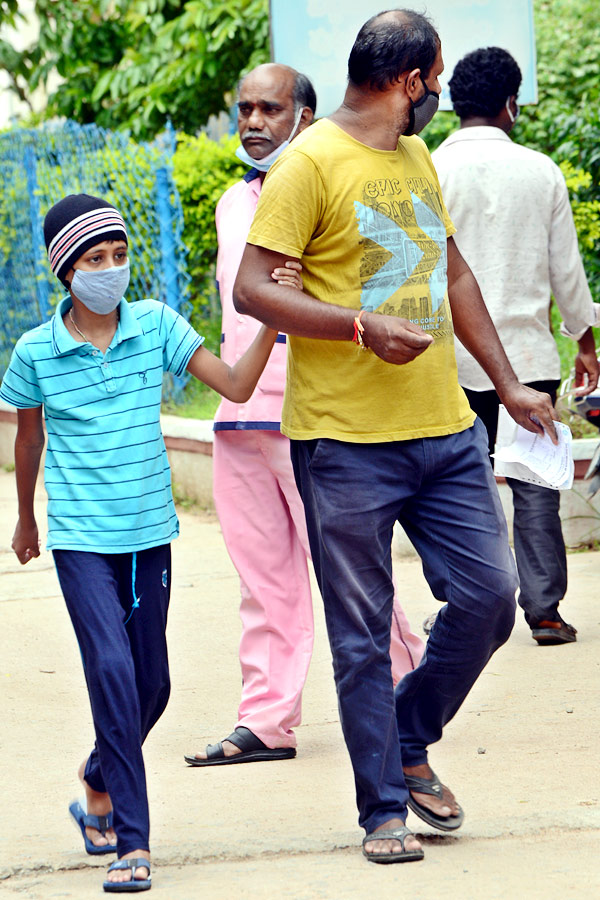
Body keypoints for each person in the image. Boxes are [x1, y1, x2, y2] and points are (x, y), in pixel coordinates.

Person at [232, 9, 559, 864]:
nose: (442, 94)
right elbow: (253, 289)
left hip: (444, 426)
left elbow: (451, 270)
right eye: (436, 79)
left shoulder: (416, 155)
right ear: (409, 81)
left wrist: (512, 382)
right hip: (344, 442)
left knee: (490, 598)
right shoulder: (308, 163)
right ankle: (382, 807)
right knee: (360, 630)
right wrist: (354, 327)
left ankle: (409, 735)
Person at [0, 193, 283, 893]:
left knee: (151, 684)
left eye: (120, 256)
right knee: (113, 673)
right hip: (80, 541)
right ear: (66, 269)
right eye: (95, 259)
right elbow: (28, 438)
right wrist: (26, 518)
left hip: (148, 535)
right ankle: (133, 842)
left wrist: (274, 321)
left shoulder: (155, 324)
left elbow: (237, 385)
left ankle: (98, 778)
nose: (111, 270)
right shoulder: (36, 350)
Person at [186, 64, 424, 767]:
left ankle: (406, 690)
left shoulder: (339, 182)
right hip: (240, 414)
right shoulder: (234, 202)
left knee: (350, 572)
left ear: (306, 115)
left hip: (315, 413)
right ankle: (266, 719)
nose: (252, 121)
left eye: (269, 108)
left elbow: (387, 289)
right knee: (263, 580)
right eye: (244, 109)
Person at [432, 46, 599, 645]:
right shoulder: (540, 170)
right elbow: (566, 272)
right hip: (526, 358)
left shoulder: (428, 168)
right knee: (535, 484)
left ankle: (460, 602)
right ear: (510, 103)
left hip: (445, 357)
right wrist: (585, 341)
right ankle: (545, 609)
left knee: (453, 486)